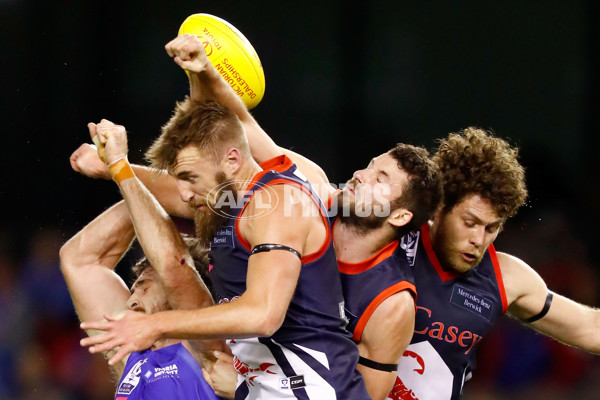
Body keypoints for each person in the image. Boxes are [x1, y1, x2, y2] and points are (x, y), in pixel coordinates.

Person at [69, 34, 442, 399]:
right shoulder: (300, 187)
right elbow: (233, 126)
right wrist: (202, 72)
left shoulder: (386, 297)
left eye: (381, 179)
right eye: (369, 166)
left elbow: (264, 315)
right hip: (265, 380)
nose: (362, 175)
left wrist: (151, 326)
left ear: (400, 215)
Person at [75, 98, 371, 399]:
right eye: (179, 179)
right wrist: (118, 167)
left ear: (232, 161)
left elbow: (263, 315)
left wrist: (152, 325)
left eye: (190, 178)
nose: (184, 194)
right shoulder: (223, 204)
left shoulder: (278, 203)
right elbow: (167, 258)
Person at [388, 127, 600, 400]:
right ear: (438, 206)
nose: (478, 239)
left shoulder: (505, 277)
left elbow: (591, 328)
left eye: (492, 227)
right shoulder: (388, 242)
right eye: (470, 222)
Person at [60, 119, 228, 399]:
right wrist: (132, 184)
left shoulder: (208, 350)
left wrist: (118, 167)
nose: (132, 296)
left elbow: (174, 265)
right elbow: (80, 260)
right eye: (136, 285)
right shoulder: (131, 355)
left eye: (146, 284)